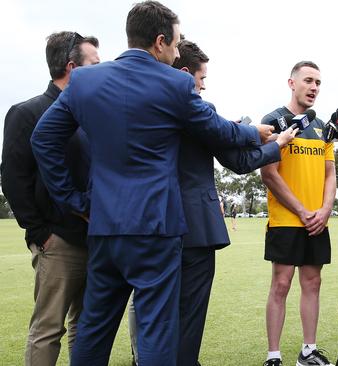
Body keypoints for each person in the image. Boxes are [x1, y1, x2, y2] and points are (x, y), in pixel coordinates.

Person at [29, 2, 274, 365]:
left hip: (104, 226)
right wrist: (254, 132)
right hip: (156, 229)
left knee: (94, 331)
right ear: (159, 42)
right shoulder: (176, 82)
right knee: (156, 330)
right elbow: (217, 130)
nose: (177, 53)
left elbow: (43, 139)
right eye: (175, 45)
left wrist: (75, 201)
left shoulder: (84, 80)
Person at [124, 38, 296, 366]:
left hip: (146, 224)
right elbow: (240, 162)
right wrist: (278, 144)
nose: (203, 87)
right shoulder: (199, 110)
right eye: (202, 79)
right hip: (192, 228)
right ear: (187, 74)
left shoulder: (138, 106)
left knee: (155, 312)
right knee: (188, 315)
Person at [1, 31, 99, 366]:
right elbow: (13, 180)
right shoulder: (26, 113)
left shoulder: (90, 116)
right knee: (47, 330)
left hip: (95, 239)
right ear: (72, 67)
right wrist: (40, 234)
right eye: (94, 64)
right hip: (57, 242)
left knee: (85, 329)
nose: (102, 72)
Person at [260, 61, 336, 366]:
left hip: (317, 219)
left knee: (313, 282)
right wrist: (303, 210)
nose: (314, 87)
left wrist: (325, 210)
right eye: (308, 80)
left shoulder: (322, 127)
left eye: (318, 82)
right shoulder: (274, 121)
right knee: (281, 284)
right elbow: (269, 174)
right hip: (287, 219)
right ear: (292, 83)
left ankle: (308, 352)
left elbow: (330, 173)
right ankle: (274, 356)